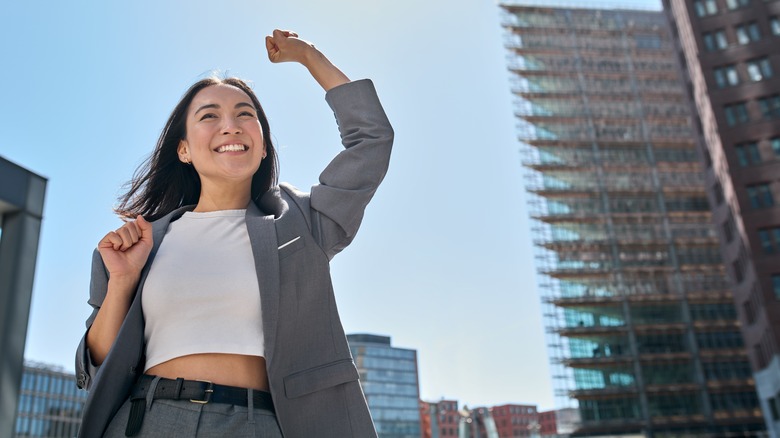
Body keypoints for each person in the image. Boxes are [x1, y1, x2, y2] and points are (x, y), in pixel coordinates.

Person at [75, 29, 393, 437]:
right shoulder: (141, 242)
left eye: (246, 114)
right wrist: (121, 282)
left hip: (256, 423)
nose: (231, 126)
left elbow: (371, 140)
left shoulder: (302, 222)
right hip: (145, 419)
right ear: (184, 149)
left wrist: (309, 56)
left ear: (262, 147)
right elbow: (95, 365)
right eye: (209, 116)